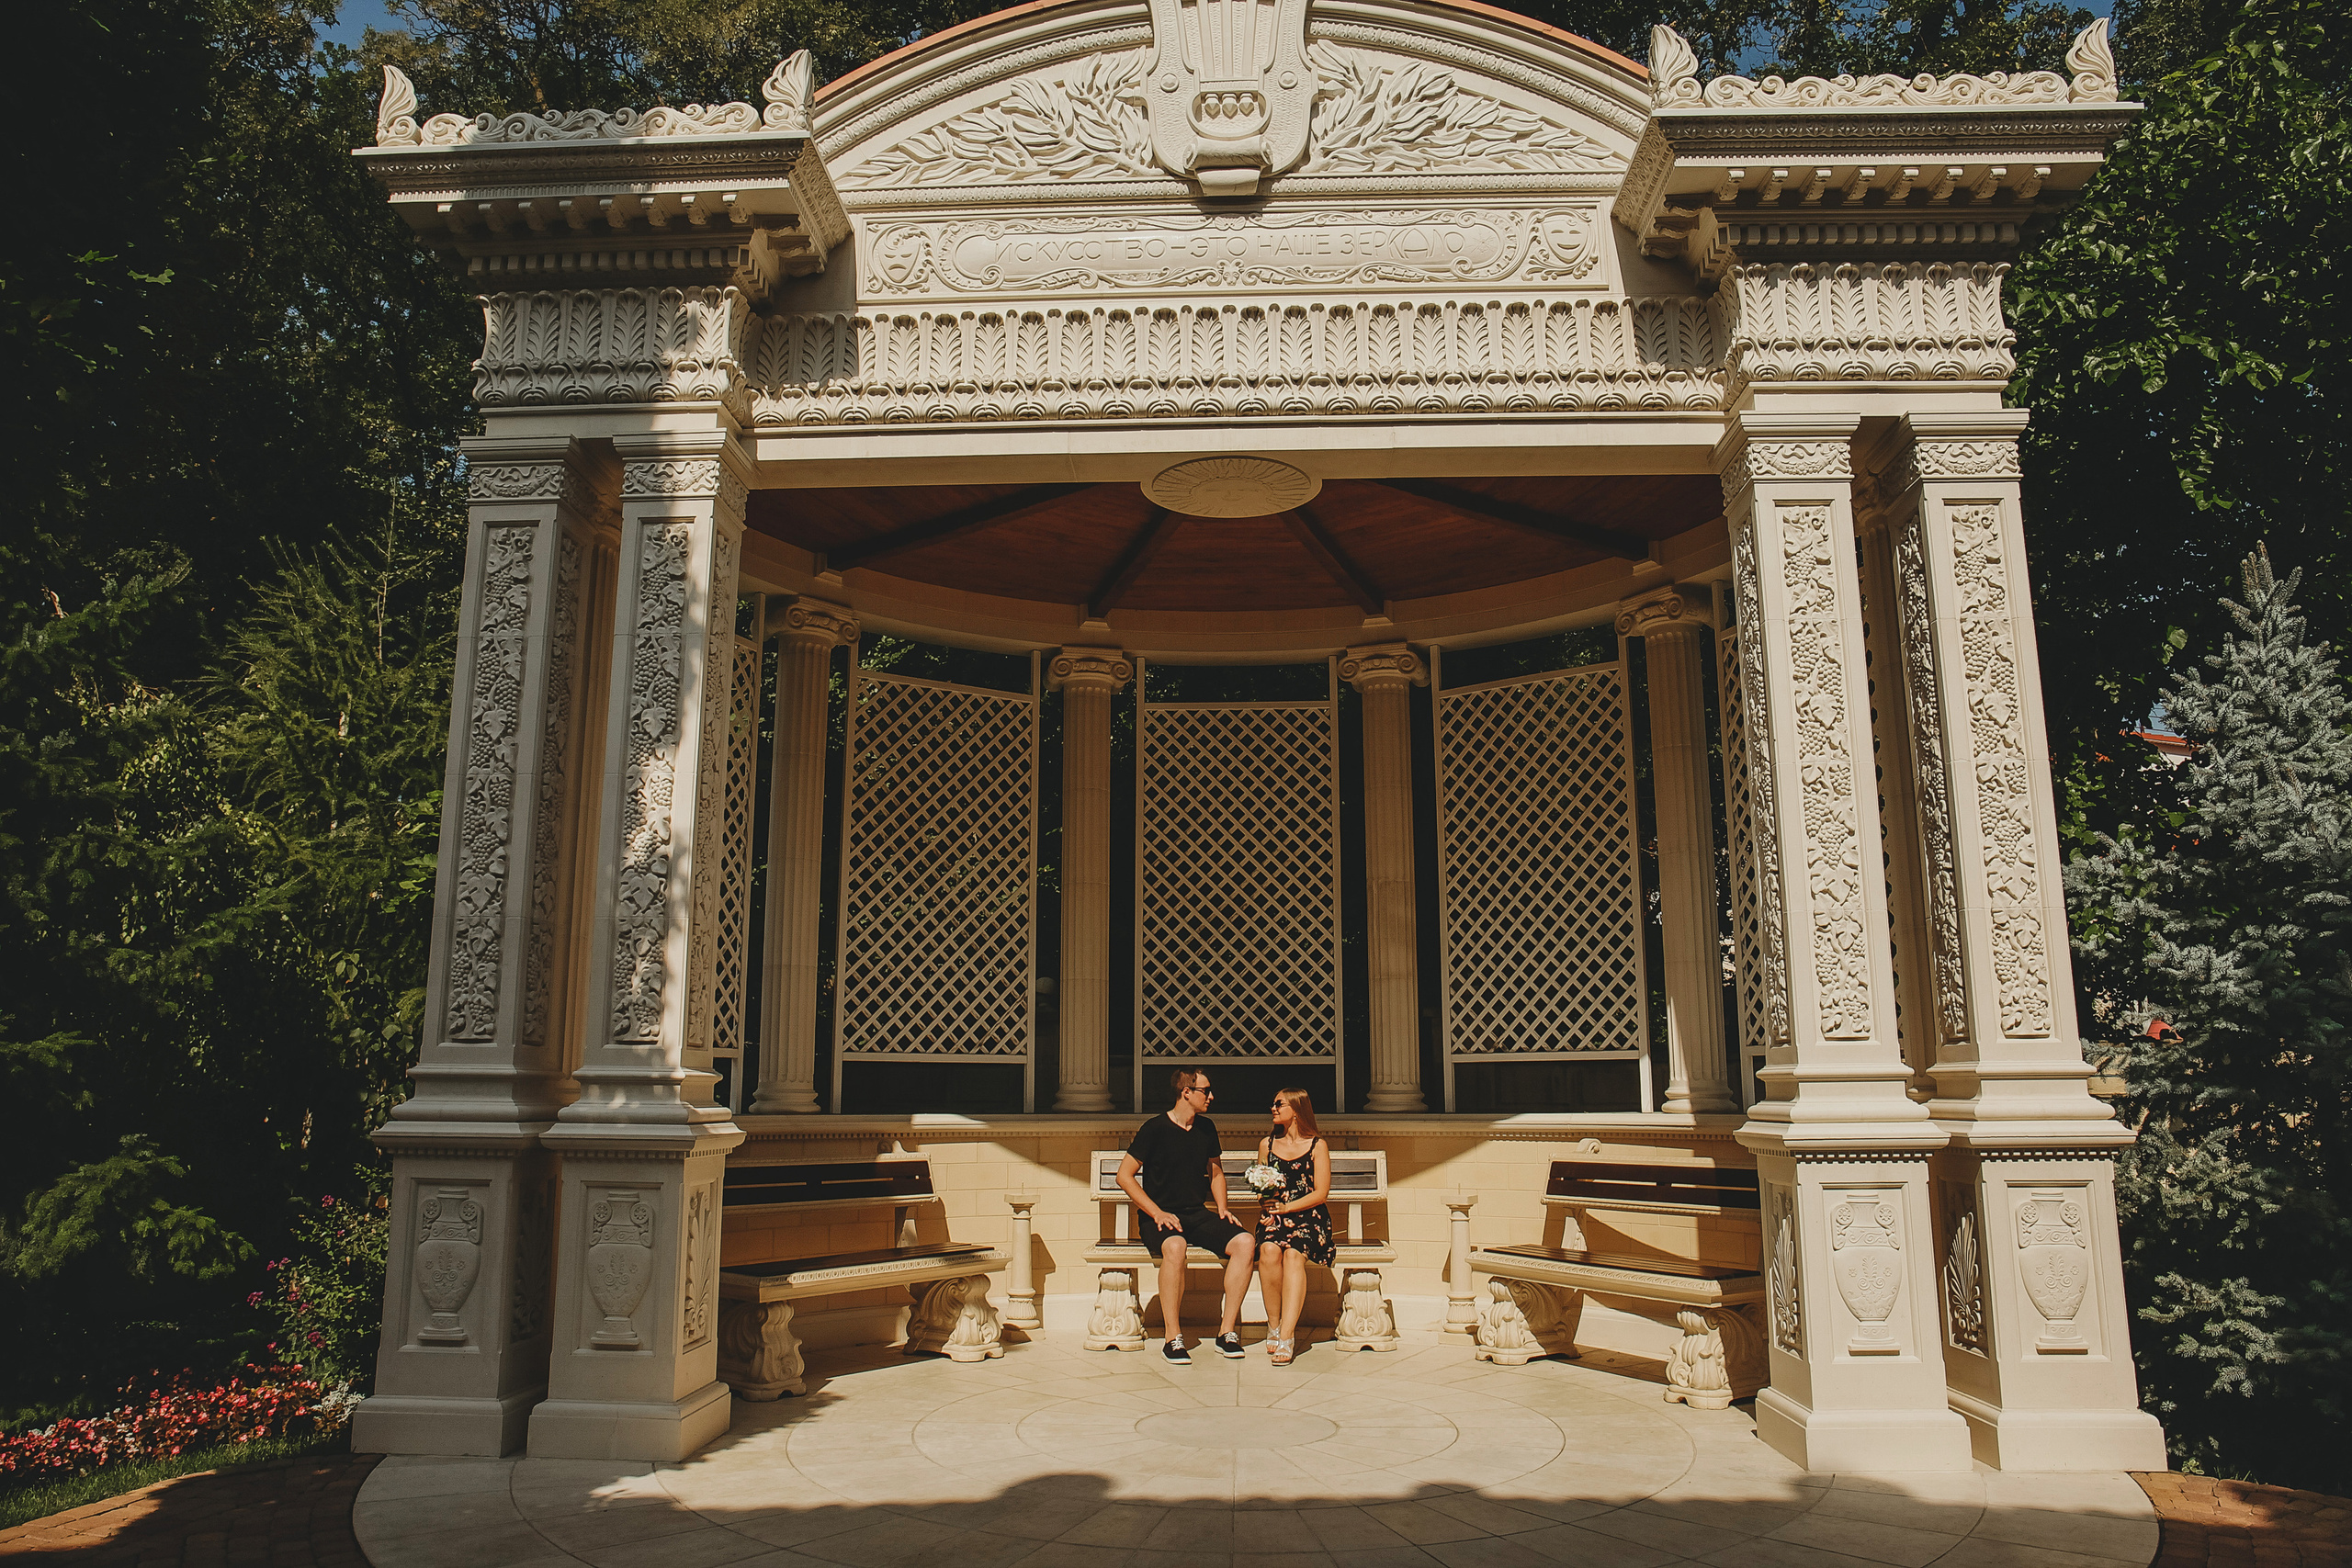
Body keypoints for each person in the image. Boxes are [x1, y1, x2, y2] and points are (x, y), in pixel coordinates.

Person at [1117, 1068, 1255, 1363]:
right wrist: (1156, 1212)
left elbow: (1215, 1172)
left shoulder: (1206, 1128)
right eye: (1206, 1090)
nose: (1212, 1096)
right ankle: (1173, 1337)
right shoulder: (1154, 1128)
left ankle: (1226, 1332)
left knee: (1245, 1243)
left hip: (1196, 1214)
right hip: (1159, 1218)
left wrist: (1222, 1208)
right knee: (1176, 1246)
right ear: (1187, 1093)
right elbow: (1124, 1176)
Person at [1253, 1088, 1334, 1365]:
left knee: (1292, 1254)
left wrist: (1287, 1207)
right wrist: (1267, 1205)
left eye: (1280, 1104)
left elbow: (1320, 1192)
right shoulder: (1267, 1144)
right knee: (1268, 1251)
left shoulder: (1317, 1145)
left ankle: (1288, 1335)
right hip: (1276, 1216)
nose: (1273, 1108)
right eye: (1273, 1104)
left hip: (1309, 1216)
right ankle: (1273, 1326)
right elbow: (1263, 1185)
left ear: (1297, 1111)